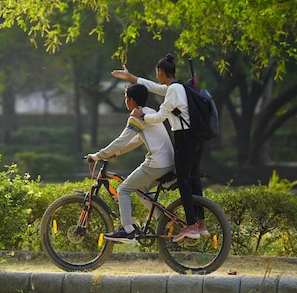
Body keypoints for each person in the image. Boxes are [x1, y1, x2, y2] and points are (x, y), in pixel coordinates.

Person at [111, 54, 207, 242]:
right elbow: (153, 88)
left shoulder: (173, 91)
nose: (157, 77)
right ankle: (200, 222)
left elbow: (160, 116)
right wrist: (132, 78)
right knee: (193, 179)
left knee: (185, 181)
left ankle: (191, 225)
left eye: (157, 73)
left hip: (184, 138)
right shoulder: (178, 88)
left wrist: (141, 116)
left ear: (161, 72)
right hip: (195, 138)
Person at [86, 83, 174, 244]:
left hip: (156, 164)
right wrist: (116, 153)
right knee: (140, 189)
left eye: (126, 97)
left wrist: (97, 156)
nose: (125, 101)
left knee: (124, 189)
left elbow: (121, 140)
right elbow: (136, 140)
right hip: (168, 162)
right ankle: (164, 219)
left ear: (132, 100)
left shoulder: (136, 115)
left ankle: (127, 230)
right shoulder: (149, 113)